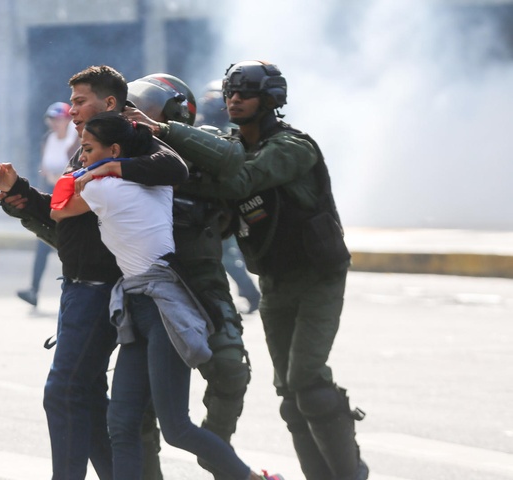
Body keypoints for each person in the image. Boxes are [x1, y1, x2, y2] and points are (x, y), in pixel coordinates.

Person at [133, 60, 369, 480]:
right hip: (276, 279)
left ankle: (351, 473)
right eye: (230, 93)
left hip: (318, 275)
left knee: (308, 385)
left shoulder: (293, 147)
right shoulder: (229, 146)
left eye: (245, 93)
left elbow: (240, 182)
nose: (234, 100)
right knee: (290, 395)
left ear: (270, 99)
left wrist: (166, 136)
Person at [51, 111, 283, 480]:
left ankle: (252, 478)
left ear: (114, 148)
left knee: (175, 427)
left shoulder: (101, 189)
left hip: (160, 309)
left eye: (88, 149)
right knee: (122, 423)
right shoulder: (157, 182)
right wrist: (114, 160)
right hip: (139, 303)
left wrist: (99, 172)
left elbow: (58, 210)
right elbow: (170, 165)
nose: (81, 157)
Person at [0, 65, 187, 480]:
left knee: (63, 393)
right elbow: (64, 215)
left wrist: (113, 166)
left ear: (109, 102)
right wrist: (17, 192)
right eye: (73, 103)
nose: (72, 111)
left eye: (80, 102)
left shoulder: (127, 142)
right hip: (77, 288)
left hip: (101, 290)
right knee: (88, 397)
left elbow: (173, 168)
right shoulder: (87, 149)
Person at [194, 81, 262, 314]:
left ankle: (250, 295)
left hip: (221, 207)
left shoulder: (232, 136)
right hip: (208, 206)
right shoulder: (197, 130)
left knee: (228, 257)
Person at [16, 101, 78, 308]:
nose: (54, 123)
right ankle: (33, 290)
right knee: (42, 243)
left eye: (58, 119)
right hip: (51, 198)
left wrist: (59, 179)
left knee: (70, 246)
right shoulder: (48, 139)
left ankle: (73, 291)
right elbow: (44, 169)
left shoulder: (76, 140)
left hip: (71, 200)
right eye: (52, 119)